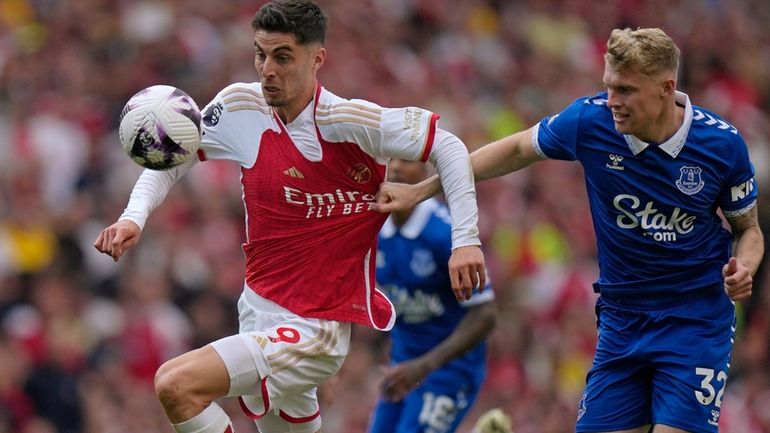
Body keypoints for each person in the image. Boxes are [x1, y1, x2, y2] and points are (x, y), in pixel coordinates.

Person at [93, 1, 486, 433]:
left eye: (283, 57)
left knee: (176, 385)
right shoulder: (239, 107)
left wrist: (465, 240)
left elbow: (447, 147)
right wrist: (134, 217)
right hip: (258, 310)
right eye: (260, 54)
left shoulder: (347, 121)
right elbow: (175, 156)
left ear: (317, 58)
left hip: (316, 328)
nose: (267, 69)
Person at [375, 27, 763, 433]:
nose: (613, 102)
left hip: (694, 319)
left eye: (626, 90)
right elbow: (517, 149)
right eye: (609, 87)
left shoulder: (720, 145)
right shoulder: (591, 121)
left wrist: (745, 266)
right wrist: (422, 190)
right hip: (622, 319)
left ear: (666, 87)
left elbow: (748, 229)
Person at [367, 159, 497, 433]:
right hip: (402, 368)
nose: (397, 168)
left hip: (449, 371)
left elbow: (485, 316)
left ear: (427, 171)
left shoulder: (446, 234)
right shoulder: (371, 229)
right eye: (390, 159)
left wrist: (423, 367)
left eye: (407, 160)